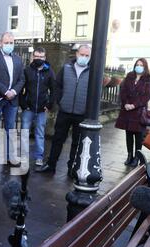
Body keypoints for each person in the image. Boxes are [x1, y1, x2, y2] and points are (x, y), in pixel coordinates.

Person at [39, 44, 91, 176]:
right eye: (82, 54)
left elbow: (95, 92)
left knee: (77, 142)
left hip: (81, 113)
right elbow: (57, 85)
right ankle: (51, 165)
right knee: (57, 139)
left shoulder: (92, 71)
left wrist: (87, 107)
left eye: (87, 55)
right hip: (65, 111)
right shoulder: (67, 68)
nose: (84, 57)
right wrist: (60, 100)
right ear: (77, 54)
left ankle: (72, 168)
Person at [0, 32, 25, 164]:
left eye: (11, 43)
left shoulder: (18, 59)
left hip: (12, 100)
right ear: (0, 43)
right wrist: (5, 91)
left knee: (11, 129)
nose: (9, 45)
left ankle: (10, 157)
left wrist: (13, 91)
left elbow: (21, 79)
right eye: (7, 42)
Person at [20, 47, 55, 168]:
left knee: (39, 133)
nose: (38, 59)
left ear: (44, 58)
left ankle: (39, 157)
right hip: (28, 108)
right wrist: (23, 104)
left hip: (41, 109)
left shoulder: (49, 72)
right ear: (33, 57)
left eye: (41, 57)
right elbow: (21, 88)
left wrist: (49, 105)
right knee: (24, 133)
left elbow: (54, 90)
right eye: (36, 56)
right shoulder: (27, 70)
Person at [115, 58, 150, 167]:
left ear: (145, 67)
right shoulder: (130, 76)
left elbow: (147, 95)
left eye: (141, 65)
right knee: (129, 135)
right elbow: (123, 90)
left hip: (139, 111)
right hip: (127, 111)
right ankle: (129, 156)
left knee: (139, 136)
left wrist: (134, 105)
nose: (139, 66)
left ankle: (137, 157)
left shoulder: (148, 78)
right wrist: (126, 103)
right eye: (137, 64)